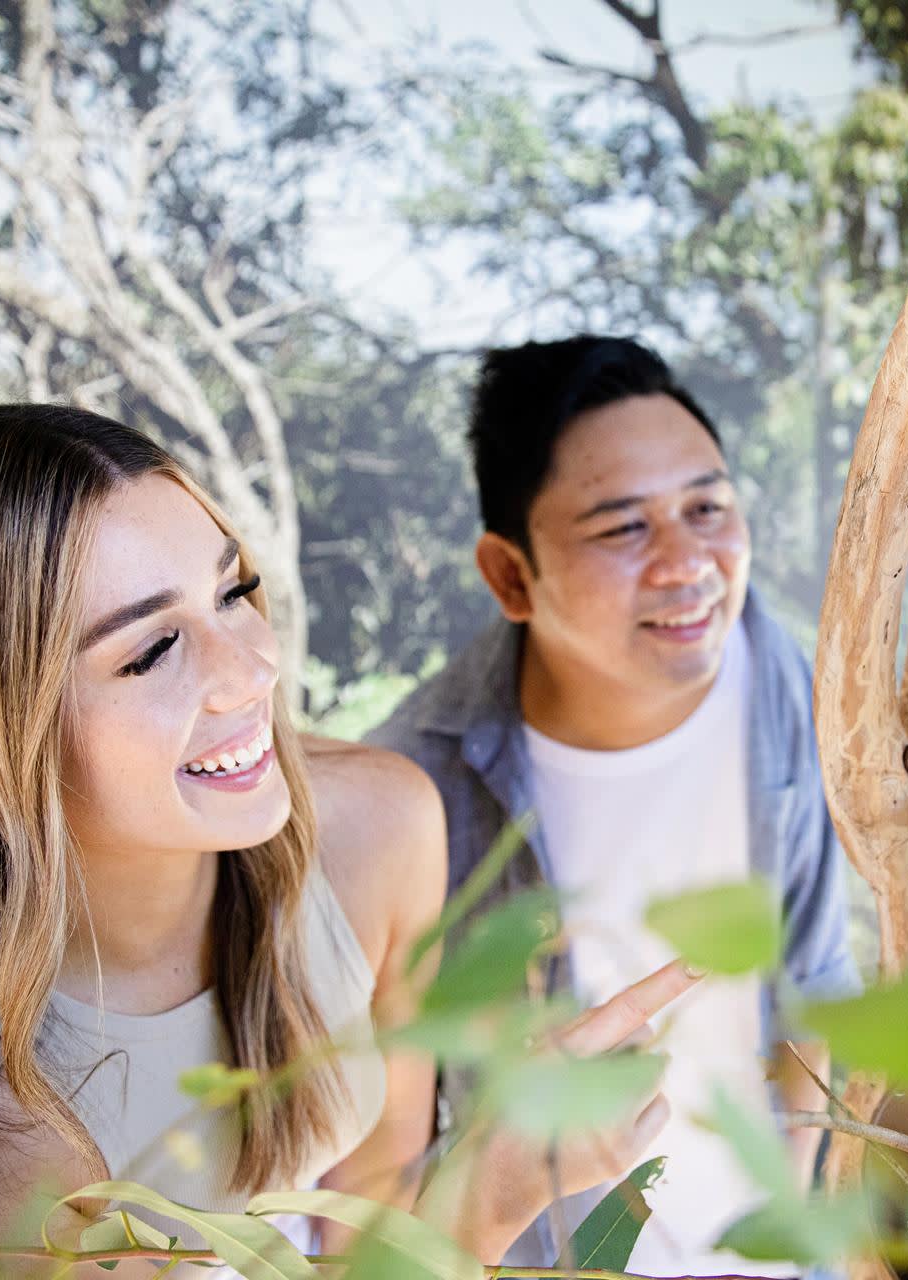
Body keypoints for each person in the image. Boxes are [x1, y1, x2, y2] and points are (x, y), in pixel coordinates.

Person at [0, 404, 689, 1261]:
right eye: (150, 651)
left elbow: (371, 1213)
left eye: (233, 591)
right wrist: (490, 1195)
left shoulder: (376, 826)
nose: (252, 672)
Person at [368, 336, 861, 1272]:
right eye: (624, 528)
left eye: (706, 508)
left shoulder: (796, 684)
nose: (687, 563)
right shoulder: (414, 787)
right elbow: (383, 1160)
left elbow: (816, 984)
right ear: (510, 576)